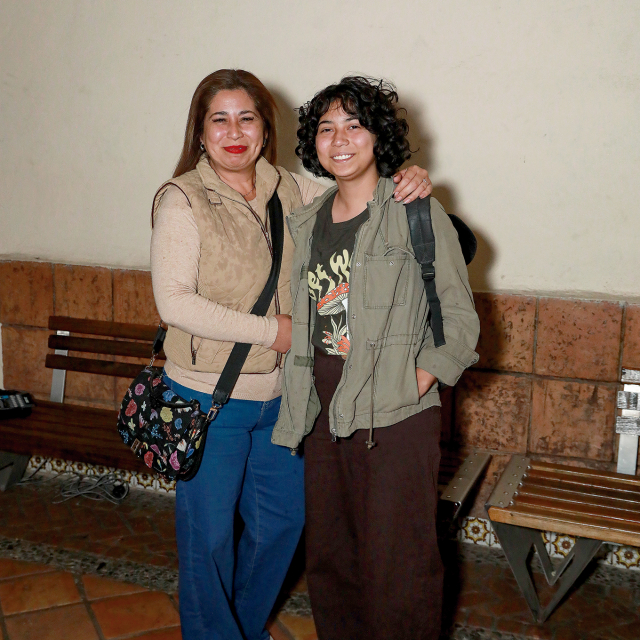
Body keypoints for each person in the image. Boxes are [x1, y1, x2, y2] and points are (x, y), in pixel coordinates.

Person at [149, 69, 432, 640]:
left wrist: (407, 179)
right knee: (209, 542)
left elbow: (359, 199)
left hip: (283, 399)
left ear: (265, 129)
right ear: (200, 132)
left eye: (247, 118)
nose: (234, 132)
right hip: (207, 397)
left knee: (282, 523)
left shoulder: (292, 189)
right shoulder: (182, 198)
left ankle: (242, 628)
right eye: (219, 120)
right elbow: (173, 302)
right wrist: (270, 332)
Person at [272, 76, 480, 640]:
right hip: (322, 402)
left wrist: (416, 380)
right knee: (331, 555)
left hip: (396, 407)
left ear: (378, 136)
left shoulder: (415, 212)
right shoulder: (309, 220)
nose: (339, 139)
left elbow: (460, 322)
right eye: (326, 128)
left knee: (399, 560)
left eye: (354, 125)